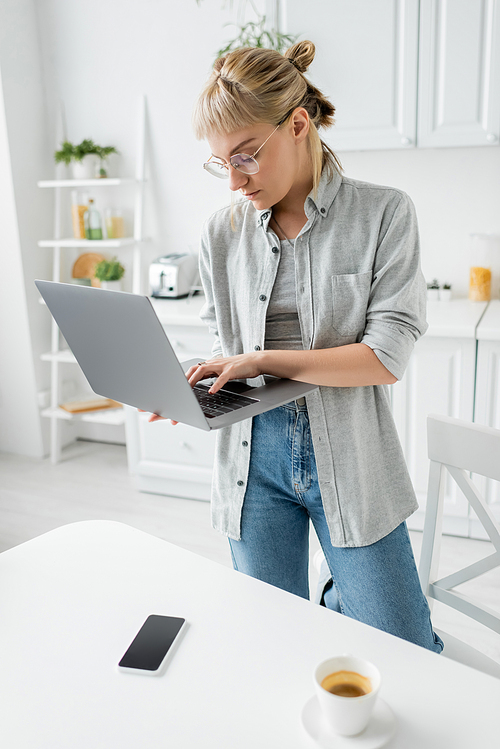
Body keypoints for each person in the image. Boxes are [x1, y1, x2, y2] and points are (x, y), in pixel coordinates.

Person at [151, 40, 443, 653]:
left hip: (353, 460)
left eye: (246, 156)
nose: (234, 180)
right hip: (251, 463)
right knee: (272, 645)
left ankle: (340, 600)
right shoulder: (220, 233)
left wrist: (262, 360)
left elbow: (384, 358)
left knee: (409, 649)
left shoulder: (383, 214)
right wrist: (199, 376)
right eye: (220, 163)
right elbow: (223, 339)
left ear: (298, 125)